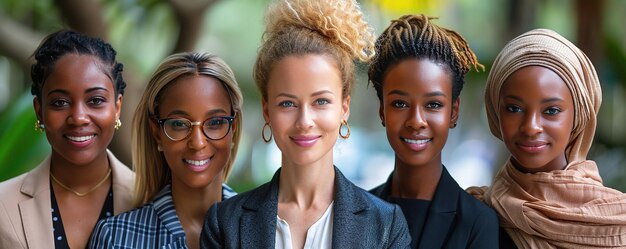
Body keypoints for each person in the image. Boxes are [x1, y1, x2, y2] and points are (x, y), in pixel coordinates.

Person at [201, 0, 411, 248]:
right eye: (287, 104)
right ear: (267, 111)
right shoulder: (225, 223)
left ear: (344, 108)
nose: (304, 121)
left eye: (321, 101)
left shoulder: (385, 225)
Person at [467, 28, 626, 248]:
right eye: (514, 108)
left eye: (551, 110)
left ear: (578, 116)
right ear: (496, 111)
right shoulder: (474, 215)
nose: (531, 127)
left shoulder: (615, 221)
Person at [367, 14, 499, 249]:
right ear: (382, 111)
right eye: (400, 104)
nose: (416, 121)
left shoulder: (477, 223)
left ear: (454, 111)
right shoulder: (355, 211)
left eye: (433, 105)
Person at [88, 52, 242, 249]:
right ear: (157, 133)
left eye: (215, 122)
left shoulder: (269, 227)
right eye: (179, 124)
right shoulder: (116, 238)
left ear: (233, 128)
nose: (197, 143)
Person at [0, 29, 133, 249]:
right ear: (39, 111)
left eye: (96, 100)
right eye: (60, 102)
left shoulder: (152, 198)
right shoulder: (3, 205)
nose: (78, 118)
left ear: (117, 108)